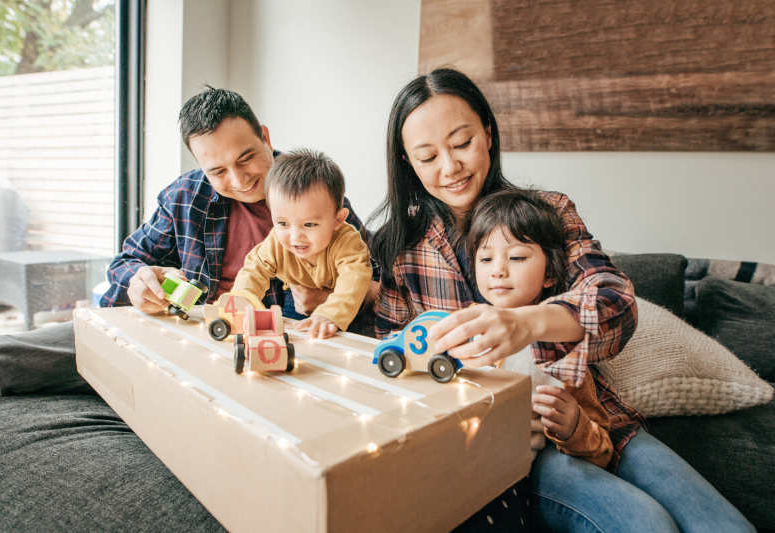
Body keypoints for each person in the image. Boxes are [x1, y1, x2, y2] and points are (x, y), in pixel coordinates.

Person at [370, 67, 754, 532]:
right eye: (427, 156)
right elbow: (390, 353)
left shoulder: (548, 212)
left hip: (594, 418)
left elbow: (616, 301)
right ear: (409, 163)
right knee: (644, 524)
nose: (449, 168)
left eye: (462, 143)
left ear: (488, 134)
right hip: (503, 445)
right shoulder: (400, 247)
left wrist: (528, 322)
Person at [0, 86, 379, 396]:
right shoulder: (186, 196)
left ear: (265, 136)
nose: (238, 181)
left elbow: (379, 283)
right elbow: (125, 263)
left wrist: (334, 299)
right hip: (190, 330)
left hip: (278, 346)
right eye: (218, 170)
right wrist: (140, 281)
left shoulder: (314, 190)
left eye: (246, 158)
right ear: (201, 166)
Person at [468, 189, 613, 469]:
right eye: (486, 259)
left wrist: (573, 426)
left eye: (517, 258)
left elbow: (603, 449)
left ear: (549, 274)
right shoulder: (464, 322)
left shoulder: (561, 344)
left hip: (517, 470)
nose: (497, 270)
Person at [231, 148, 372, 339]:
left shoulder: (347, 241)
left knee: (341, 344)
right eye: (282, 223)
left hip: (343, 306)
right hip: (295, 303)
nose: (295, 237)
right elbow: (254, 269)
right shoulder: (276, 243)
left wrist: (330, 314)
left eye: (309, 224)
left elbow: (355, 278)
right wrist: (241, 299)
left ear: (338, 219)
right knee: (291, 339)